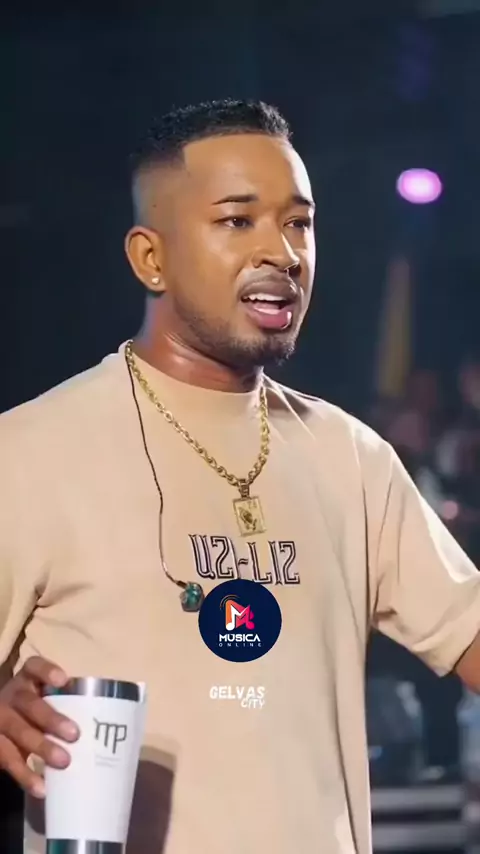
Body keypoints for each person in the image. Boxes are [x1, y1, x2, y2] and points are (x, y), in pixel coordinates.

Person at [1, 98, 480, 854]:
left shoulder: (350, 456)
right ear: (150, 258)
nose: (282, 252)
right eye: (237, 220)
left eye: (299, 223)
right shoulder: (30, 452)